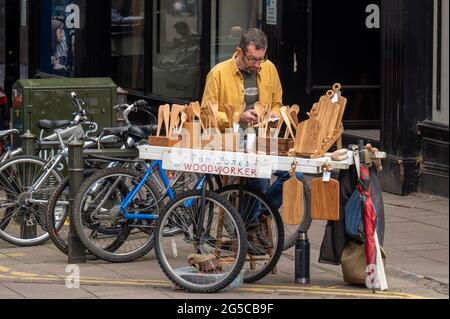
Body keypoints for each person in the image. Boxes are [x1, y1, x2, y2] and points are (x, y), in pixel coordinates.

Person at [201, 28, 304, 254]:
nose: (258, 64)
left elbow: (278, 102)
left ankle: (259, 215)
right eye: (253, 59)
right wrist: (237, 116)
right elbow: (206, 114)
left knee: (296, 174)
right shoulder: (218, 73)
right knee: (258, 173)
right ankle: (250, 225)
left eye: (261, 58)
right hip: (231, 142)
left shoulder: (269, 69)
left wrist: (275, 115)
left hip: (264, 139)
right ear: (239, 52)